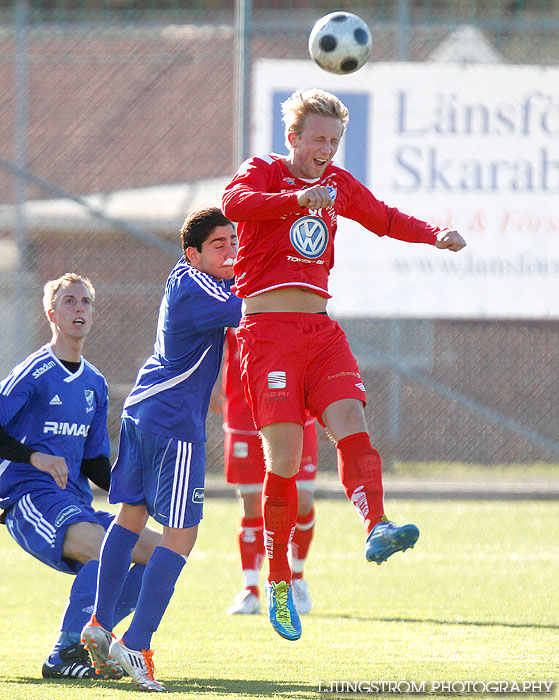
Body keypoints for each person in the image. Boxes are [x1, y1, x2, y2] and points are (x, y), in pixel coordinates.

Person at [222, 88, 467, 642]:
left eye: (333, 142)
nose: (326, 150)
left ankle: (376, 524)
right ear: (294, 138)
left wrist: (434, 235)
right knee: (282, 459)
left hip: (320, 330)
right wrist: (298, 200)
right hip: (268, 333)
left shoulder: (337, 185)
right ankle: (278, 574)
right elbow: (234, 205)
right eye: (317, 140)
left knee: (352, 424)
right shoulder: (262, 170)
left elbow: (381, 216)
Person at [81, 207, 242, 692]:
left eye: (234, 241)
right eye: (221, 244)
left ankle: (99, 624)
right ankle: (138, 643)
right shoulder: (204, 286)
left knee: (130, 518)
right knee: (181, 536)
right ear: (192, 253)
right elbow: (251, 306)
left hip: (143, 411)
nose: (232, 251)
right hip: (173, 424)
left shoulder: (182, 277)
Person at [0, 273, 160, 680]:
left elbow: (95, 463)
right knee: (106, 551)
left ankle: (100, 641)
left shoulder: (95, 382)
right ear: (51, 313)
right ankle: (63, 652)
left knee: (162, 553)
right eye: (69, 301)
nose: (80, 309)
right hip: (29, 499)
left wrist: (140, 494)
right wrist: (34, 456)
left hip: (75, 504)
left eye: (86, 302)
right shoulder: (34, 372)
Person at [216, 328, 318, 616]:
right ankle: (250, 590)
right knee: (252, 505)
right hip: (244, 417)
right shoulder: (233, 297)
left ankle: (296, 579)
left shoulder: (298, 300)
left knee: (303, 501)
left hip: (295, 413)